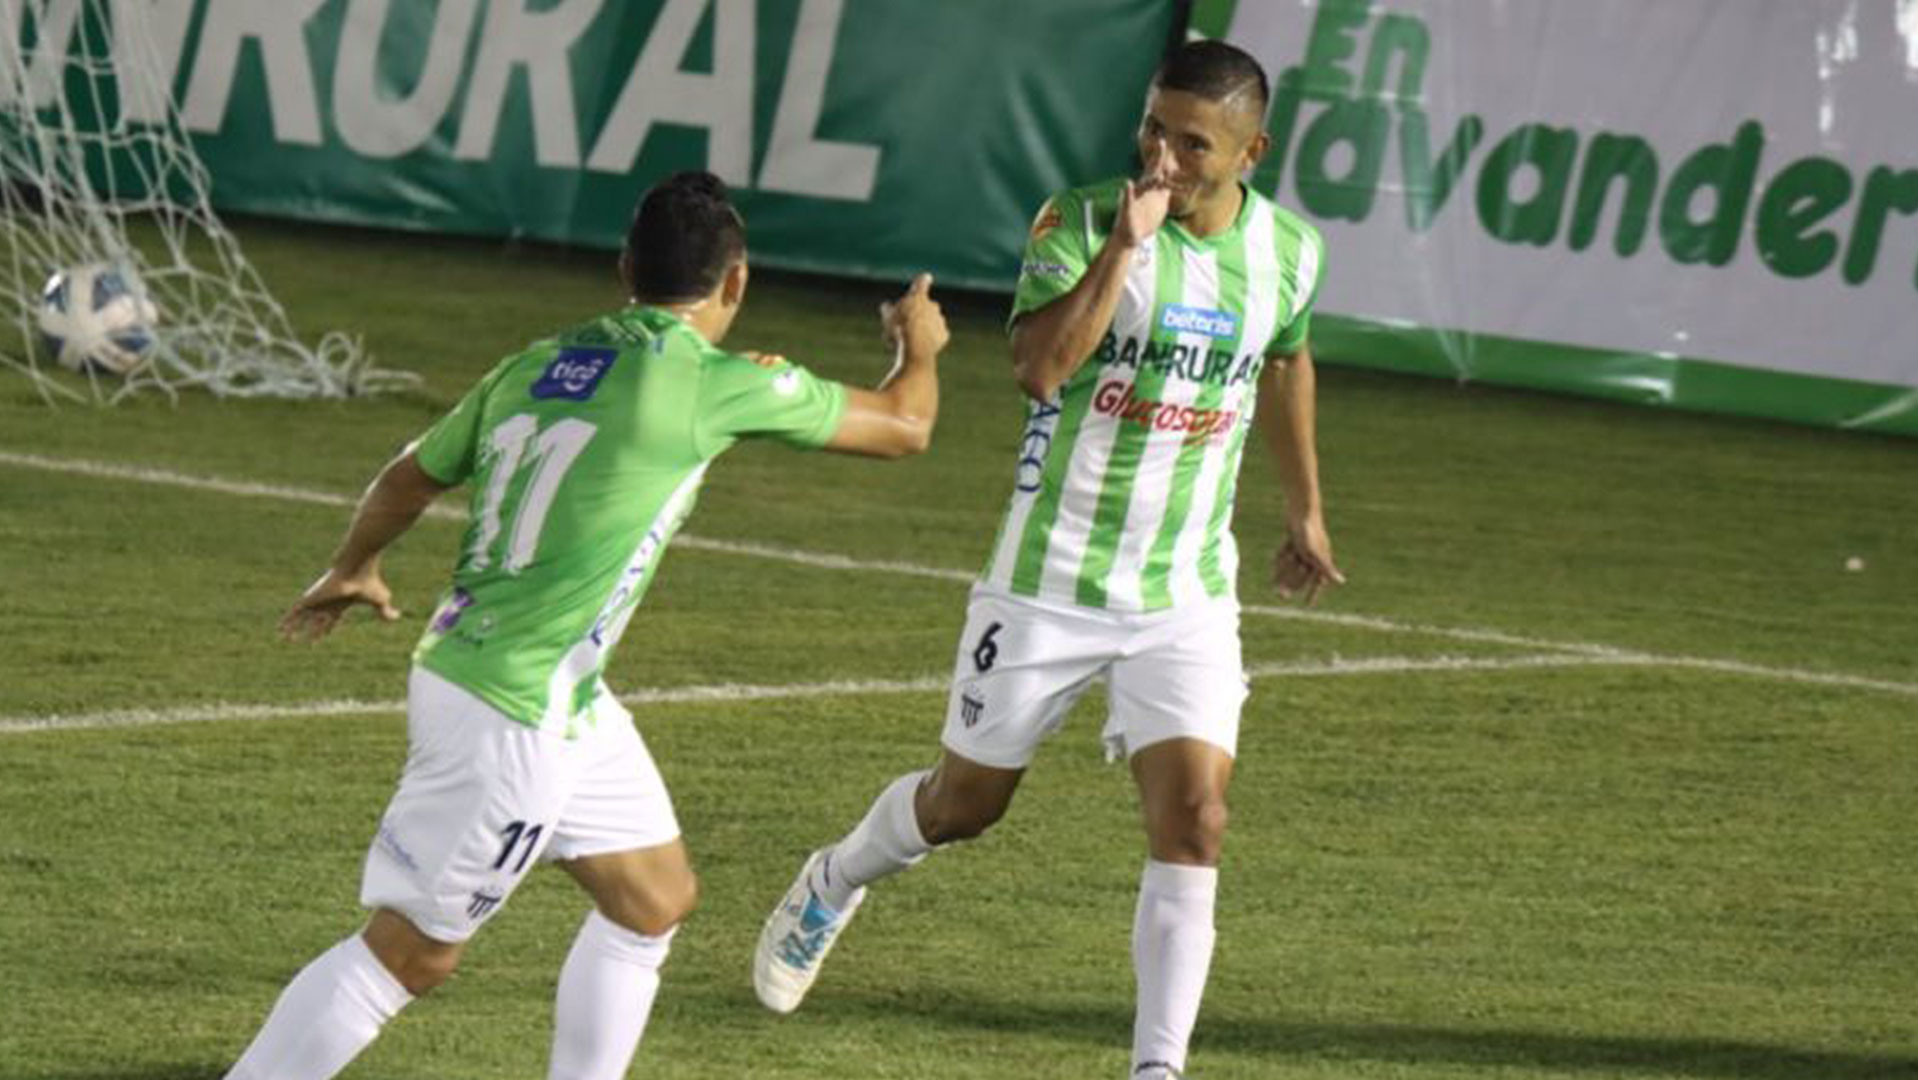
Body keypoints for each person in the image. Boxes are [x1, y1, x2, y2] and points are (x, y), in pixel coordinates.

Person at [223, 170, 949, 1080]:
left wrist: (353, 564)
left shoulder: (532, 364)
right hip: (511, 711)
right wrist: (917, 346)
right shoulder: (707, 384)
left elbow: (410, 476)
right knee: (409, 955)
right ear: (736, 283)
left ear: (623, 271)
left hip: (540, 687)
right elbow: (906, 425)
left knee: (652, 899)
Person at [752, 40, 1341, 1080]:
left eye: (1192, 141)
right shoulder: (1076, 223)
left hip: (1187, 591)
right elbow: (1039, 371)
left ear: (1254, 149)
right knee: (963, 808)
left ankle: (1157, 1067)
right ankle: (837, 876)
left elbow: (1286, 360)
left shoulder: (1292, 250)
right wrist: (1124, 246)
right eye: (1154, 126)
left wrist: (1306, 510)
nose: (1163, 152)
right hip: (1050, 578)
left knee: (1196, 819)